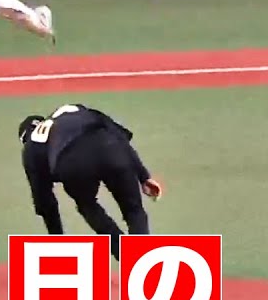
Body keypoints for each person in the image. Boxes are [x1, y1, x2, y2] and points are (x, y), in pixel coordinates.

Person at [19, 103, 162, 260]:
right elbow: (117, 134)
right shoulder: (71, 111)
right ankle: (141, 262)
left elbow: (45, 203)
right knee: (134, 210)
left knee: (87, 206)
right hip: (110, 146)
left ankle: (125, 254)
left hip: (72, 162)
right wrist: (143, 176)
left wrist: (58, 240)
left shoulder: (31, 147)